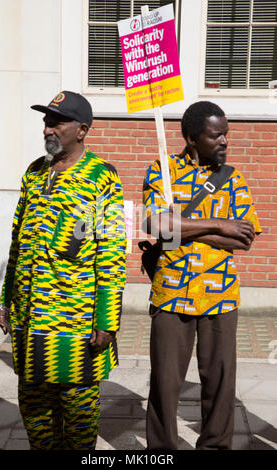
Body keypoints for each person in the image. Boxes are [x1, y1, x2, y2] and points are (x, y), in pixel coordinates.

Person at [0, 90, 126, 450]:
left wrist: (106, 319)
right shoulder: (35, 173)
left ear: (82, 130)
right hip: (29, 322)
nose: (47, 130)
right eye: (46, 122)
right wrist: (5, 300)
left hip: (76, 324)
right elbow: (17, 244)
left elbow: (112, 251)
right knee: (36, 419)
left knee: (79, 424)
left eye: (57, 122)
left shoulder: (102, 178)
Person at [142, 101, 261, 450]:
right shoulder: (161, 171)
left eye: (226, 133)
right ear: (192, 138)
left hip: (220, 296)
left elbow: (245, 237)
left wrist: (182, 228)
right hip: (171, 293)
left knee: (220, 383)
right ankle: (162, 450)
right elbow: (155, 224)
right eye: (216, 135)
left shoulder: (232, 177)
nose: (225, 141)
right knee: (165, 382)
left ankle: (215, 445)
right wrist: (219, 223)